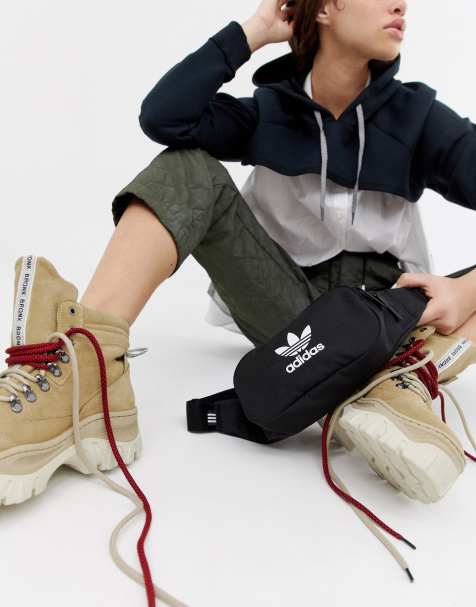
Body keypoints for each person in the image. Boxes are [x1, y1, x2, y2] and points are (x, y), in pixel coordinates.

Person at [1, 0, 476, 581]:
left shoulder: (419, 118)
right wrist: (251, 33)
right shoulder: (270, 111)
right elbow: (164, 119)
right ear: (324, 8)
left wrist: (466, 292)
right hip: (292, 314)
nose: (402, 4)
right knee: (186, 167)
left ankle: (387, 384)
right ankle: (87, 373)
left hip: (388, 316)